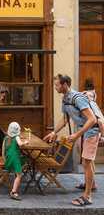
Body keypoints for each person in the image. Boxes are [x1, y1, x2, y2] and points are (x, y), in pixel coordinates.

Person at [43, 74, 99, 206]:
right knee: (88, 161)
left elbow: (92, 119)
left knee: (86, 162)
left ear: (65, 85)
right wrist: (53, 132)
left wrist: (76, 135)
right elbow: (65, 119)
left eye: (57, 85)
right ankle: (92, 184)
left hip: (91, 131)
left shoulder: (77, 98)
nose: (55, 87)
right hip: (82, 131)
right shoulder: (65, 99)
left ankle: (87, 196)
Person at [3, 122, 28, 201]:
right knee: (19, 175)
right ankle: (13, 192)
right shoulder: (16, 137)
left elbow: (3, 150)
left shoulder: (6, 137)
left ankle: (19, 170)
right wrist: (25, 142)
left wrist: (4, 158)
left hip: (8, 159)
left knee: (25, 159)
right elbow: (20, 144)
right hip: (15, 159)